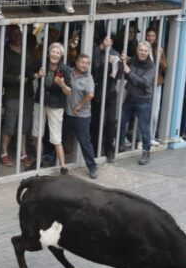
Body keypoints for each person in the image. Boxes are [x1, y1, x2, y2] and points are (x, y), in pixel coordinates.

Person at [2, 27, 38, 168]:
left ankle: (23, 154)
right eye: (13, 34)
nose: (17, 36)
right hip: (12, 94)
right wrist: (16, 78)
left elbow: (33, 67)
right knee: (10, 125)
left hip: (27, 93)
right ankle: (4, 153)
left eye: (19, 34)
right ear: (9, 36)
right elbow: (1, 74)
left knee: (23, 126)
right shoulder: (6, 52)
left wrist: (36, 73)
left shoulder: (28, 50)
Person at [34, 42, 70, 173]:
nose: (55, 55)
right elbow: (28, 73)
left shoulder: (64, 69)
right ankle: (39, 161)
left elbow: (69, 92)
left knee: (56, 137)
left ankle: (63, 166)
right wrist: (38, 75)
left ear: (61, 55)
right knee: (37, 133)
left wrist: (62, 85)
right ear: (49, 53)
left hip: (56, 105)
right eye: (53, 52)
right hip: (40, 102)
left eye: (58, 53)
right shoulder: (42, 63)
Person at [119, 41, 155, 165]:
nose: (143, 52)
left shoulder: (151, 66)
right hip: (130, 97)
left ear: (149, 52)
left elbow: (144, 83)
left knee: (144, 128)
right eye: (141, 50)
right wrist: (124, 59)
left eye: (145, 51)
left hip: (143, 100)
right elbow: (123, 65)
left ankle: (146, 152)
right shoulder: (132, 60)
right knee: (121, 121)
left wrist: (129, 72)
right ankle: (121, 145)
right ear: (137, 50)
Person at [64, 54, 97, 179]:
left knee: (85, 142)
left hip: (81, 116)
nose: (85, 65)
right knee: (58, 138)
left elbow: (90, 95)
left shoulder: (88, 77)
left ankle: (92, 167)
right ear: (76, 62)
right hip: (67, 113)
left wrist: (80, 105)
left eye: (87, 63)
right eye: (82, 62)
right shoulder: (69, 72)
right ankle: (51, 159)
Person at [91, 34, 122, 163]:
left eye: (110, 40)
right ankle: (94, 149)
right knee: (95, 122)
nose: (108, 42)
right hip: (97, 92)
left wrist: (116, 65)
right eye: (105, 39)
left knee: (111, 121)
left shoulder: (115, 54)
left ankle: (109, 149)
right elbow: (94, 70)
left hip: (110, 92)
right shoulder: (96, 51)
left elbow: (118, 75)